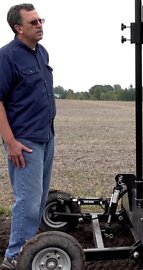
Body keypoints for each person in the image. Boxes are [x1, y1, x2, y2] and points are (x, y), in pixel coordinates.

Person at [0, 3, 55, 268]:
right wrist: (10, 142)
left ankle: (29, 250)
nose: (39, 24)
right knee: (28, 204)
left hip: (46, 138)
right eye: (33, 22)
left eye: (40, 20)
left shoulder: (41, 52)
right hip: (24, 143)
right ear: (18, 27)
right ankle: (14, 259)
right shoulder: (7, 57)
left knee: (40, 200)